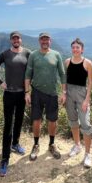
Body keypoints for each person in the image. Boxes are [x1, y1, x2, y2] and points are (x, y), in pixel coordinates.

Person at [0, 31, 31, 177]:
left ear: (21, 40)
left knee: (19, 120)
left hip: (22, 94)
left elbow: (32, 69)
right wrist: (0, 82)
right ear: (10, 41)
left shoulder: (27, 53)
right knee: (8, 124)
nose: (16, 40)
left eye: (18, 38)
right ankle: (5, 158)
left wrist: (29, 90)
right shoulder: (5, 54)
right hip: (9, 94)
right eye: (13, 38)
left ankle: (15, 143)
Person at [25, 32, 66, 161]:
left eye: (47, 39)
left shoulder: (56, 55)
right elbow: (27, 74)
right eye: (42, 39)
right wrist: (27, 92)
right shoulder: (33, 55)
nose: (45, 41)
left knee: (52, 120)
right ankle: (36, 144)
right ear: (39, 41)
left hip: (52, 92)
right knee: (36, 119)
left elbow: (62, 74)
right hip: (36, 92)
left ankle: (52, 144)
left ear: (50, 41)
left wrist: (64, 92)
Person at [64, 38, 92, 168]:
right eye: (73, 47)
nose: (75, 49)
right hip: (69, 92)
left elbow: (90, 83)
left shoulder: (87, 63)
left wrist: (87, 99)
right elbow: (64, 79)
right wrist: (63, 93)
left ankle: (88, 154)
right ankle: (77, 145)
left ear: (82, 49)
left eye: (78, 47)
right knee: (73, 120)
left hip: (82, 93)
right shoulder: (67, 62)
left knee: (85, 123)